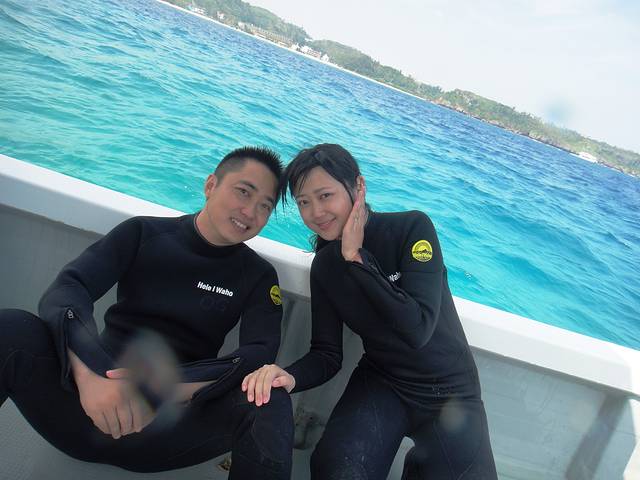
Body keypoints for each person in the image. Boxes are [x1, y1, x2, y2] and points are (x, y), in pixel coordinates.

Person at [0, 147, 294, 479]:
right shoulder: (143, 234)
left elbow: (259, 352)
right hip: (87, 404)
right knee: (10, 328)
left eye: (265, 206)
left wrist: (166, 388)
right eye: (243, 192)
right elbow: (69, 288)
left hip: (167, 428)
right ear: (211, 185)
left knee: (270, 398)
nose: (250, 212)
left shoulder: (257, 275)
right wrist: (91, 374)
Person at [242, 144, 498, 479]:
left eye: (325, 195)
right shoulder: (326, 267)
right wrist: (290, 376)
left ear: (358, 186)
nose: (316, 212)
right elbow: (326, 353)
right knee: (338, 471)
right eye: (304, 202)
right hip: (384, 383)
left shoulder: (410, 229)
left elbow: (417, 329)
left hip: (452, 391)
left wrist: (357, 259)